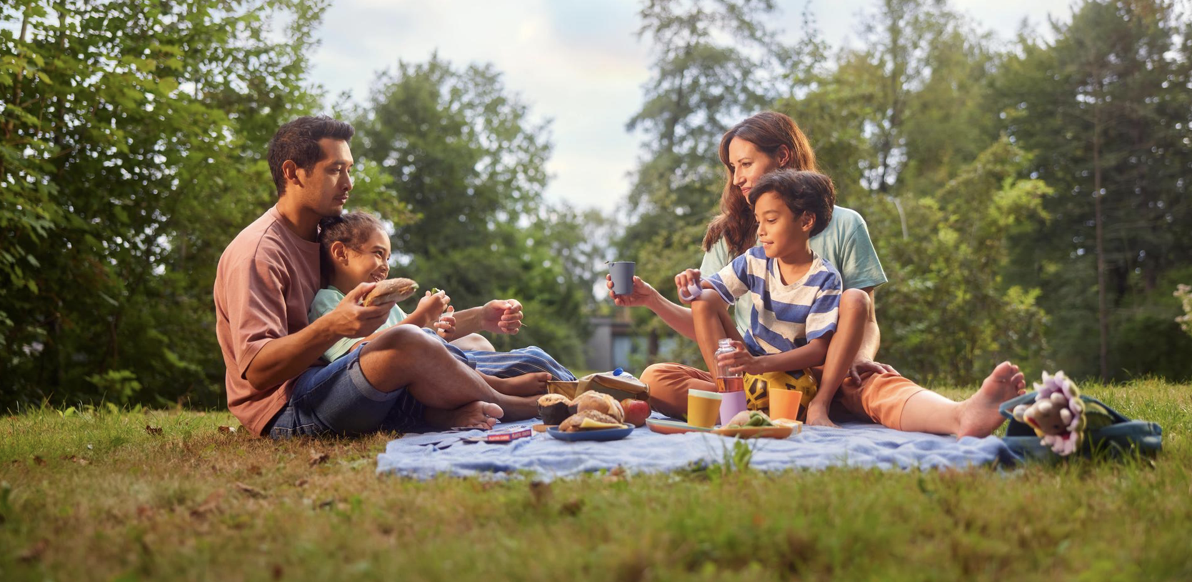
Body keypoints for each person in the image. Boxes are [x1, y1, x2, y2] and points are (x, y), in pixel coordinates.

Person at [612, 111, 1026, 437]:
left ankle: (959, 416)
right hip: (748, 373)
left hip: (823, 368)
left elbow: (864, 316)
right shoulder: (732, 236)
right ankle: (737, 408)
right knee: (657, 377)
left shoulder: (845, 225)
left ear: (783, 157)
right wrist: (653, 300)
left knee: (872, 382)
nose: (737, 178)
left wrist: (858, 362)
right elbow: (705, 320)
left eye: (745, 164)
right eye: (732, 168)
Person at [214, 115, 539, 439]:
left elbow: (395, 326)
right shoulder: (257, 253)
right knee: (407, 342)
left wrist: (479, 316)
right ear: (292, 173)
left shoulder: (325, 241)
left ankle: (467, 405)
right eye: (334, 170)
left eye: (349, 170)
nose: (348, 184)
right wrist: (333, 326)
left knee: (472, 342)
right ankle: (515, 405)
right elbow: (257, 371)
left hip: (344, 374)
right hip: (288, 409)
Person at [308, 210, 574, 392]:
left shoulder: (382, 304)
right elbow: (360, 354)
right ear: (341, 253)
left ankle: (566, 388)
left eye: (388, 258)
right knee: (533, 360)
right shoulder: (328, 300)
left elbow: (420, 333)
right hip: (396, 384)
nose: (385, 266)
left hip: (423, 368)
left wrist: (481, 316)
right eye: (378, 254)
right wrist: (422, 318)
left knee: (477, 342)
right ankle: (537, 386)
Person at [681, 170, 842, 399]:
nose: (761, 231)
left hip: (791, 379)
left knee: (677, 391)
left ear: (806, 220)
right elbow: (706, 293)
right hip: (749, 368)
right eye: (759, 221)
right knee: (703, 301)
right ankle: (731, 394)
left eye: (771, 220)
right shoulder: (755, 260)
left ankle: (735, 403)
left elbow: (818, 350)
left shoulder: (825, 278)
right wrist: (689, 287)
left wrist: (761, 364)